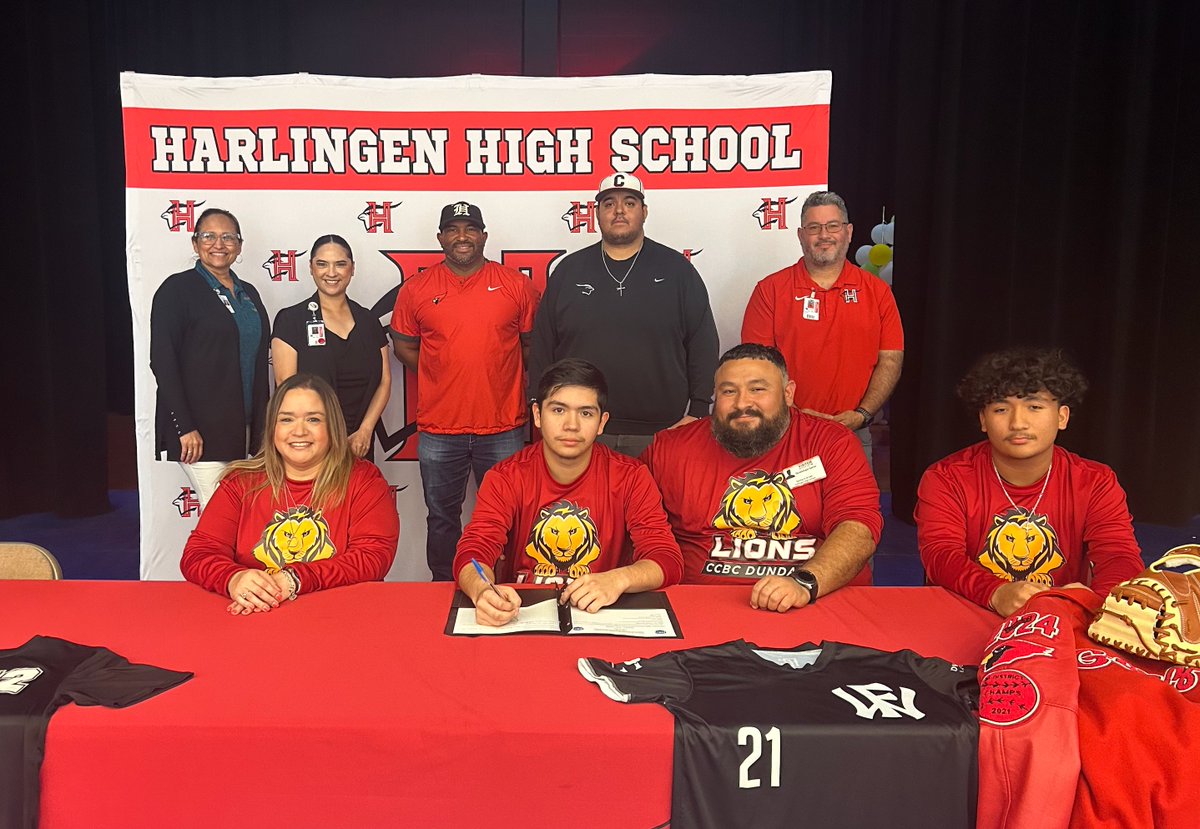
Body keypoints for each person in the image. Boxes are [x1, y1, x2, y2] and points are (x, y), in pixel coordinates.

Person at [642, 343, 882, 612]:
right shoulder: (671, 447)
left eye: (758, 389)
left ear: (788, 393)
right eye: (728, 391)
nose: (742, 403)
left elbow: (858, 529)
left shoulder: (832, 442)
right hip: (699, 609)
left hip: (814, 603)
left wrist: (805, 584)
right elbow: (632, 525)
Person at [454, 358, 683, 626]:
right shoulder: (506, 477)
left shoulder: (631, 477)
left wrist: (619, 579)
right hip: (521, 613)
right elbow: (473, 552)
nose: (571, 425)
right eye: (559, 410)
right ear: (538, 416)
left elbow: (667, 559)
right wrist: (483, 590)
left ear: (601, 422)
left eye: (586, 413)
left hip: (600, 614)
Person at [915, 348, 1143, 616]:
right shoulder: (946, 478)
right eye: (1001, 409)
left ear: (1062, 417)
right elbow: (941, 555)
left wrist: (1097, 612)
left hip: (1061, 619)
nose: (1018, 423)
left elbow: (1119, 556)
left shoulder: (1095, 482)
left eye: (1034, 407)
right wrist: (995, 592)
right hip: (966, 613)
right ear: (983, 420)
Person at [390, 202, 539, 581]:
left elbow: (529, 348)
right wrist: (439, 367)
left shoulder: (515, 285)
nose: (462, 237)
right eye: (453, 229)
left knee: (509, 515)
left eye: (470, 229)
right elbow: (404, 346)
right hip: (441, 430)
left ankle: (506, 585)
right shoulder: (417, 289)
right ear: (440, 237)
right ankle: (442, 586)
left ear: (484, 236)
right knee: (442, 518)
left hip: (504, 427)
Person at [528, 172, 719, 458]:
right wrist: (541, 406)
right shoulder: (569, 271)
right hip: (580, 430)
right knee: (582, 505)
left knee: (659, 505)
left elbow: (702, 342)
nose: (619, 210)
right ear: (596, 214)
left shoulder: (676, 270)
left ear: (644, 212)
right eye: (609, 204)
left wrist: (699, 410)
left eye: (629, 203)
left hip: (662, 431)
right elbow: (543, 344)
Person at [180, 373, 399, 614]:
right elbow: (198, 554)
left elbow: (373, 557)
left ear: (333, 427)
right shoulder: (240, 482)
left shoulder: (364, 481)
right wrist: (233, 578)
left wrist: (296, 579)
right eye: (286, 420)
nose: (299, 431)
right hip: (257, 617)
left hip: (340, 616)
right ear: (272, 426)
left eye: (313, 419)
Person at [741, 190, 903, 464]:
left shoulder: (877, 292)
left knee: (855, 507)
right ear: (801, 235)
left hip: (853, 434)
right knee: (783, 507)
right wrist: (797, 415)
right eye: (814, 227)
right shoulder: (770, 290)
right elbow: (757, 367)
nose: (824, 235)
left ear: (849, 232)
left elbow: (890, 359)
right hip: (786, 434)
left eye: (833, 226)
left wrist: (862, 414)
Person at [150, 207, 270, 507]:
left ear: (240, 246)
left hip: (243, 429)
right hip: (199, 430)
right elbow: (163, 361)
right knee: (220, 517)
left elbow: (257, 363)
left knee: (236, 517)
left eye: (228, 237)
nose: (219, 244)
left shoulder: (250, 295)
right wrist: (185, 426)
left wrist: (264, 431)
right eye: (209, 236)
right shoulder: (177, 290)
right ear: (195, 243)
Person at [271, 234, 391, 459]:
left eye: (340, 264)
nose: (332, 273)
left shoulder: (368, 321)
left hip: (360, 443)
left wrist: (365, 431)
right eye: (322, 264)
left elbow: (384, 381)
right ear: (311, 268)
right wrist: (327, 437)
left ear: (352, 268)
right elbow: (287, 391)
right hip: (312, 444)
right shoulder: (291, 320)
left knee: (358, 494)